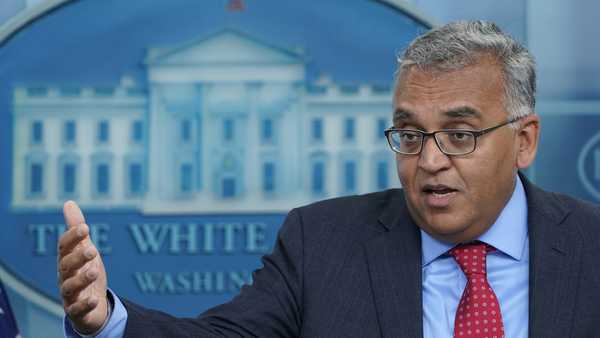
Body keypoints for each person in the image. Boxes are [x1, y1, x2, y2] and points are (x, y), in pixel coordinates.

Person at [58, 21, 600, 338]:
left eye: (459, 135)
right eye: (410, 134)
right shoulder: (321, 243)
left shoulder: (591, 246)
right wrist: (106, 318)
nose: (430, 161)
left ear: (524, 141)